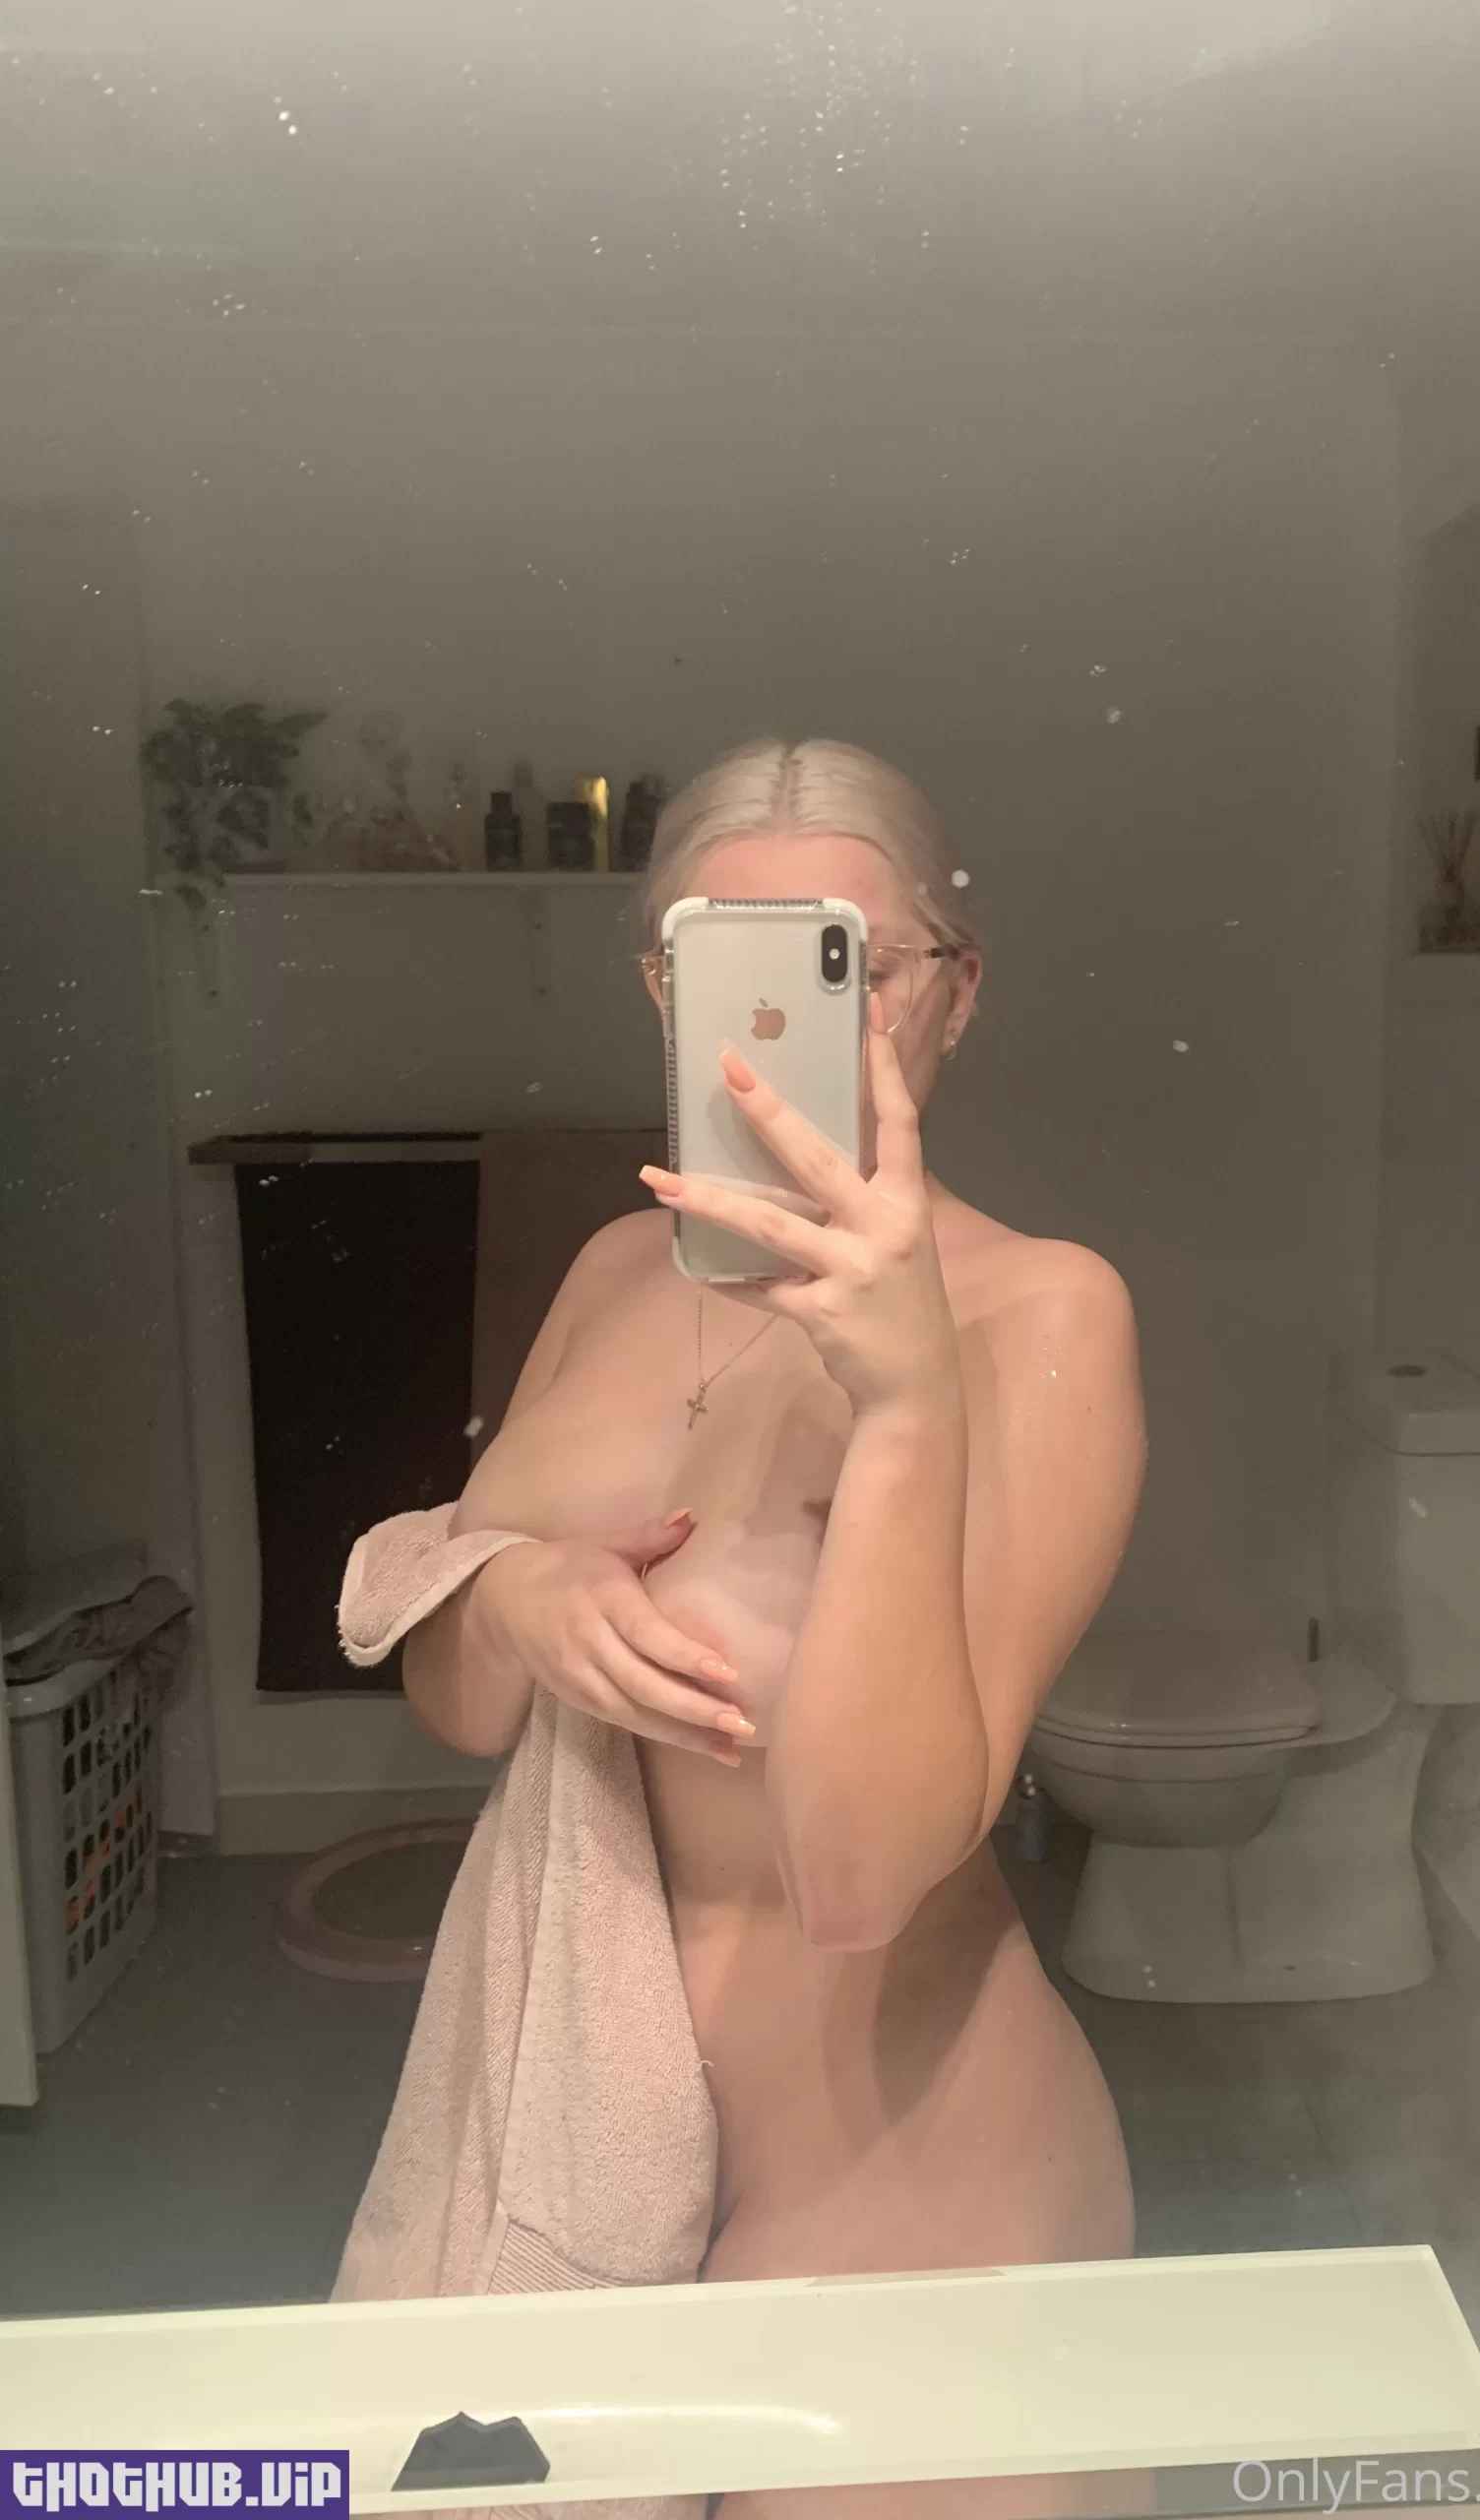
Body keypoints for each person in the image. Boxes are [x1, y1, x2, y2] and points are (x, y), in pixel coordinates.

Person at [401, 736, 1147, 2520]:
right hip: (571, 2132)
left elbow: (863, 1878)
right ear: (664, 995)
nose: (782, 1023)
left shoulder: (1046, 1315)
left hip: (913, 2162)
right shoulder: (608, 1273)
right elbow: (456, 1705)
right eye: (716, 964)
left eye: (850, 966)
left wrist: (904, 1405)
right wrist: (513, 1593)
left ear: (954, 994)